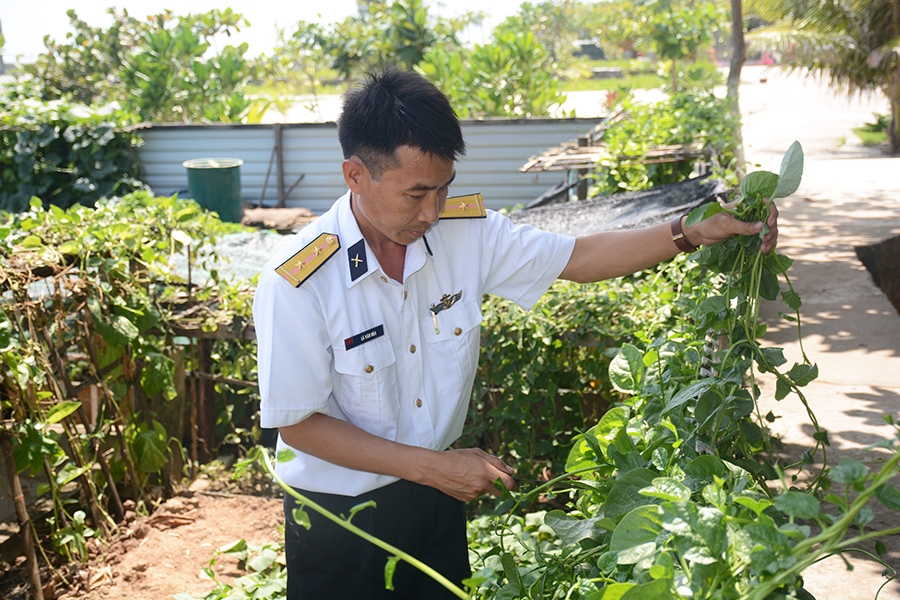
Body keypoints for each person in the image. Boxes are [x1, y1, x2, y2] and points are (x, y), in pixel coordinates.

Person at [253, 68, 778, 600]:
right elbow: (298, 425)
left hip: (435, 501)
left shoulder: (465, 232)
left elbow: (579, 257)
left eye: (443, 189)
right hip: (338, 518)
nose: (433, 211)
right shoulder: (299, 279)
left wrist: (688, 231)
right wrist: (434, 466)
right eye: (415, 194)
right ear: (355, 176)